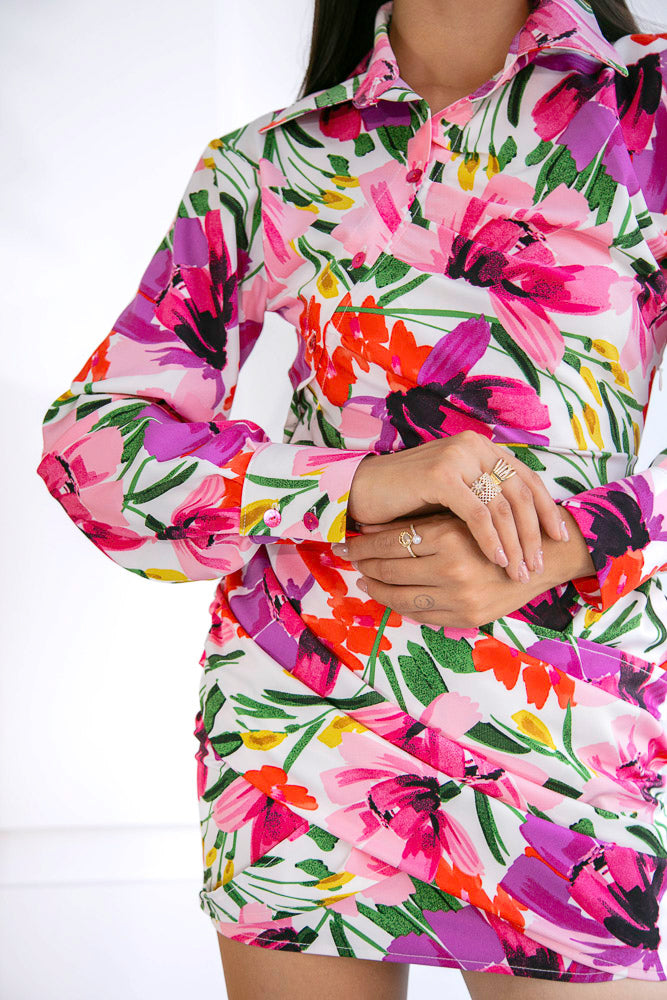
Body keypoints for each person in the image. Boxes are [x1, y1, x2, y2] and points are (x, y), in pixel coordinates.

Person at [36, 0, 667, 996]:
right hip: (302, 713)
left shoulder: (645, 110)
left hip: (570, 714)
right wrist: (362, 482)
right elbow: (92, 446)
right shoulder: (270, 161)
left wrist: (577, 541)